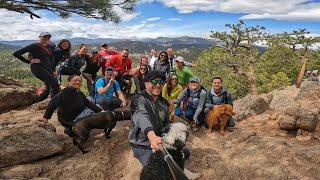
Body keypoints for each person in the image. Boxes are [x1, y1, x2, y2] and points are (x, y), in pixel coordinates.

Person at [128, 71, 169, 166]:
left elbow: (167, 123)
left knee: (185, 153)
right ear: (146, 83)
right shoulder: (138, 99)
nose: (158, 85)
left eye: (161, 82)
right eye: (154, 82)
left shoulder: (163, 103)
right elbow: (142, 117)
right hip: (142, 143)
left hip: (159, 140)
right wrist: (152, 137)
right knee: (155, 167)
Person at [13, 32, 59, 102]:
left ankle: (38, 100)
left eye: (48, 37)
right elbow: (16, 53)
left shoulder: (50, 46)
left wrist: (53, 70)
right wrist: (29, 61)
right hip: (38, 68)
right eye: (44, 37)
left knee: (49, 86)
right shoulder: (34, 46)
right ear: (40, 37)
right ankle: (55, 103)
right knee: (53, 83)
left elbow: (51, 58)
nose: (46, 39)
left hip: (48, 68)